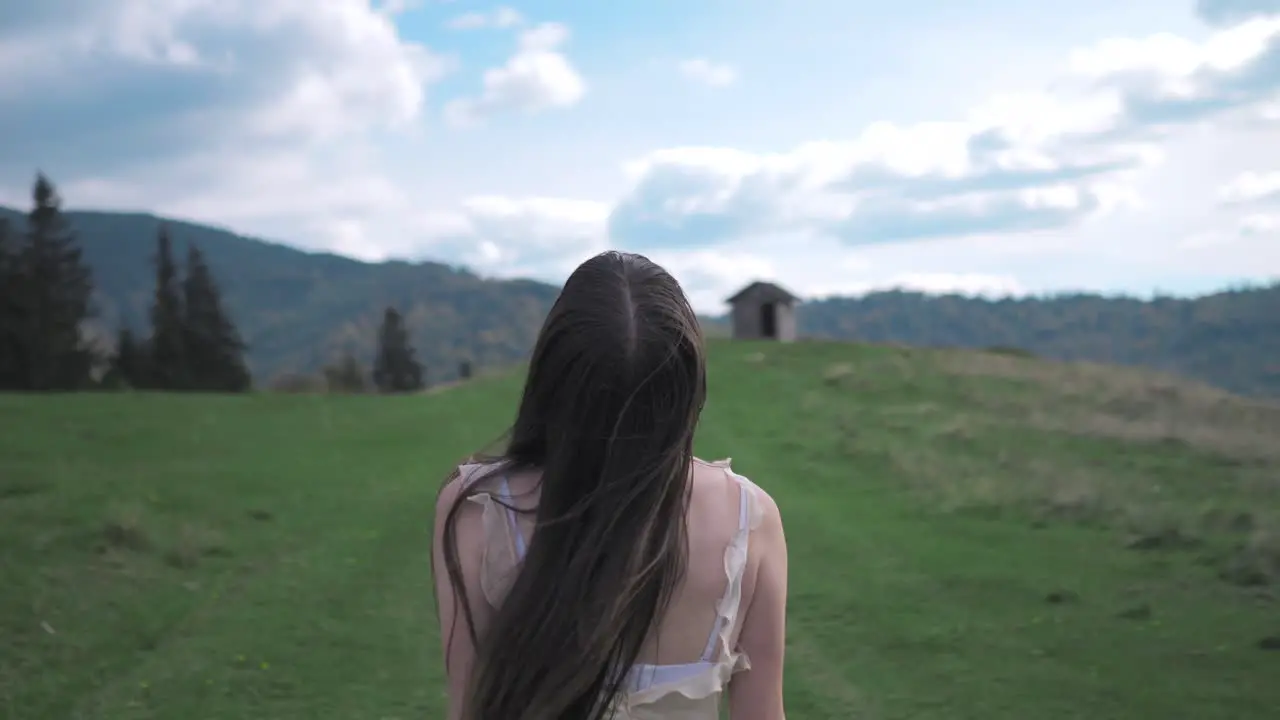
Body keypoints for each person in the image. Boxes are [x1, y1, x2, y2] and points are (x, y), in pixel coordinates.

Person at [431, 251, 789, 720]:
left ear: (553, 379)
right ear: (685, 389)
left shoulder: (479, 508)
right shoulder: (748, 515)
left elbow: (469, 708)